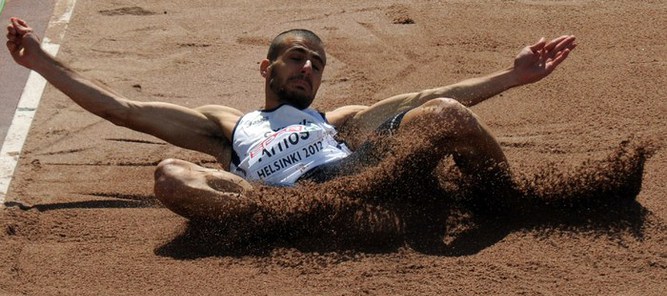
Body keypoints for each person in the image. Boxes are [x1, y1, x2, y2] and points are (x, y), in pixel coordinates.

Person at [6, 17, 576, 220]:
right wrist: (41, 62)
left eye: (317, 64)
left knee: (445, 113)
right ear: (268, 66)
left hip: (355, 182)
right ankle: (295, 219)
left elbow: (430, 95)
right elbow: (122, 109)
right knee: (170, 176)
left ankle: (508, 203)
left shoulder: (339, 119)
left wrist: (511, 76)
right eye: (298, 58)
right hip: (276, 202)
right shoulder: (229, 129)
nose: (308, 68)